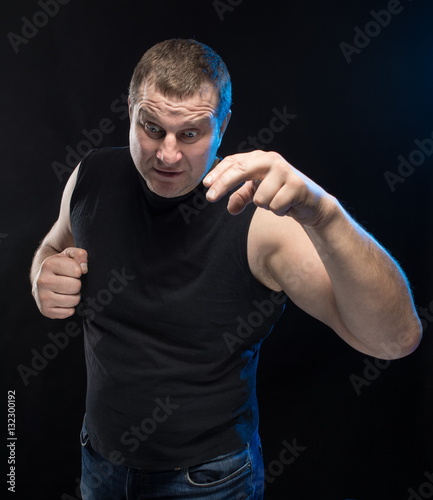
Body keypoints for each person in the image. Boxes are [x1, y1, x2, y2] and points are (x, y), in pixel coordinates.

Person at [30, 38, 422, 500]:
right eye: (152, 128)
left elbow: (393, 340)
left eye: (191, 134)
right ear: (130, 111)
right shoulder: (92, 175)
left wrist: (326, 216)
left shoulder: (259, 220)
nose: (168, 154)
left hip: (206, 483)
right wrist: (42, 273)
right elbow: (56, 243)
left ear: (223, 127)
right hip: (98, 462)